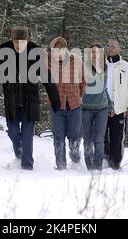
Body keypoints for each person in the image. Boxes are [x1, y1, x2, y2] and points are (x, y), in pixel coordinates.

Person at [0, 26, 61, 170]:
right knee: (13, 131)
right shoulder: (4, 57)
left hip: (30, 103)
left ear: (27, 41)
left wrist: (55, 101)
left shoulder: (35, 57)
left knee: (27, 136)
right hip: (12, 103)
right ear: (12, 41)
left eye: (22, 41)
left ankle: (27, 167)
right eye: (16, 41)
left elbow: (48, 80)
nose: (19, 44)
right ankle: (19, 153)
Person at [47, 37, 86, 170]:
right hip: (57, 106)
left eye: (60, 49)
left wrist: (79, 96)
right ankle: (61, 167)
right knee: (58, 139)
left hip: (74, 106)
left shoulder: (77, 61)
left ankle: (75, 160)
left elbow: (83, 81)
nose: (58, 52)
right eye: (55, 49)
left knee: (74, 138)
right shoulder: (48, 61)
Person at [104, 39, 128, 170]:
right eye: (108, 46)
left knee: (117, 137)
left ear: (120, 49)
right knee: (101, 136)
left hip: (119, 108)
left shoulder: (127, 67)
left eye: (113, 46)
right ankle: (104, 160)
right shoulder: (101, 65)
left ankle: (115, 164)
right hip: (102, 107)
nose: (110, 48)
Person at [81, 44, 112, 171]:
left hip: (102, 108)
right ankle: (89, 166)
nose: (95, 55)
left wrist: (110, 105)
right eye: (93, 52)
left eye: (98, 52)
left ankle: (97, 167)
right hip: (85, 108)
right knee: (87, 139)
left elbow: (105, 89)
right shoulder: (82, 67)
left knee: (99, 139)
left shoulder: (105, 68)